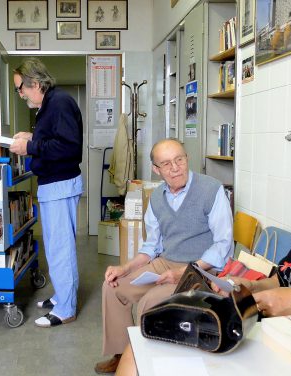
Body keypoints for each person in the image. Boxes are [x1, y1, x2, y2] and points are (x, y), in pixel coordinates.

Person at [114, 126, 291, 375]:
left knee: (146, 352)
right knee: (136, 351)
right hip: (260, 333)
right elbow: (283, 279)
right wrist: (251, 285)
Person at [94, 138, 234, 374]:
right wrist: (125, 269)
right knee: (113, 286)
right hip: (166, 262)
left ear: (187, 159)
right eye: (167, 163)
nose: (176, 167)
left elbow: (223, 244)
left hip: (203, 269)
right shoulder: (157, 197)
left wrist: (186, 270)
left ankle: (145, 362)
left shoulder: (211, 189)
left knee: (151, 301)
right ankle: (122, 354)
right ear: (156, 170)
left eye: (179, 159)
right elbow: (151, 246)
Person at [9, 58, 83, 328]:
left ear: (36, 84)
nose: (20, 94)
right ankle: (63, 295)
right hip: (54, 184)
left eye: (21, 88)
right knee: (55, 247)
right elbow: (54, 138)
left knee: (61, 248)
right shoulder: (48, 105)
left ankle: (66, 309)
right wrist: (32, 137)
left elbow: (69, 147)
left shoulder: (59, 103)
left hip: (60, 184)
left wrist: (30, 148)